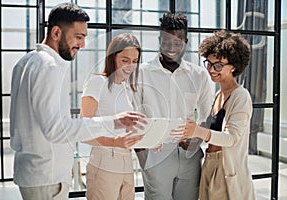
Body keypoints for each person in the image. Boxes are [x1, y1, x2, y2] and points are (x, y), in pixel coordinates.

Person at [9, 3, 146, 200]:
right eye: (78, 37)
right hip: (48, 175)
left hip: (33, 171)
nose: (82, 44)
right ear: (56, 32)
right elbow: (56, 129)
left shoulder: (26, 62)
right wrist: (112, 122)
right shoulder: (49, 67)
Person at [134, 13, 213, 200]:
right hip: (155, 154)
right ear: (159, 40)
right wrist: (144, 160)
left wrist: (196, 141)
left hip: (189, 156)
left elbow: (207, 115)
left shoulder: (199, 75)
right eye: (166, 42)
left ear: (185, 41)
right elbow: (134, 117)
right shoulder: (141, 73)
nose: (171, 48)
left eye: (177, 43)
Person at [173, 30, 255, 199]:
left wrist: (198, 131)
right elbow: (213, 132)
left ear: (233, 65)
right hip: (209, 164)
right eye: (208, 63)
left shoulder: (240, 96)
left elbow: (231, 138)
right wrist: (193, 140)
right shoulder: (219, 94)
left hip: (226, 169)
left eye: (218, 65)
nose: (211, 69)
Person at [80, 33, 141, 200]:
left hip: (127, 162)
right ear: (112, 57)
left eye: (135, 61)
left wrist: (149, 138)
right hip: (104, 162)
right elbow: (83, 129)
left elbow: (126, 128)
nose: (130, 66)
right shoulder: (97, 83)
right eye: (125, 60)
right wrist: (113, 142)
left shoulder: (126, 88)